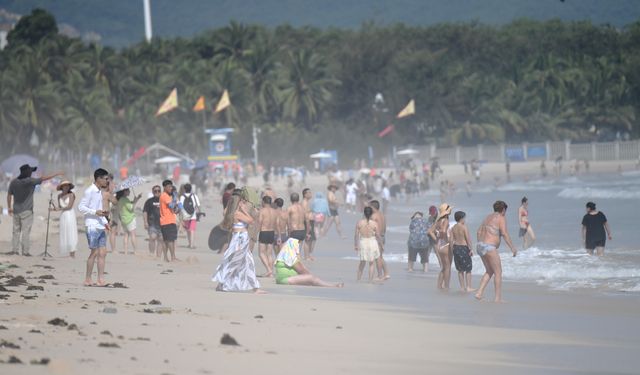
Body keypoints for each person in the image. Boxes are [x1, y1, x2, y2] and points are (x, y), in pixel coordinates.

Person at [7, 164, 62, 256]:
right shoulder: (30, 181)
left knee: (16, 231)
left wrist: (9, 207)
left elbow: (9, 195)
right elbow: (44, 178)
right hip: (27, 211)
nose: (31, 173)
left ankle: (15, 250)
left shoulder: (14, 182)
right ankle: (25, 252)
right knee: (25, 231)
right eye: (30, 171)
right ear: (27, 172)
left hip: (16, 210)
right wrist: (56, 174)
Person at [212, 195, 263, 293]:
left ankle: (255, 287)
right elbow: (251, 221)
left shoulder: (235, 213)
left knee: (247, 262)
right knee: (236, 262)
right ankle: (222, 284)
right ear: (238, 203)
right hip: (240, 239)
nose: (244, 204)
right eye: (242, 202)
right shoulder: (237, 213)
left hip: (241, 238)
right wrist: (244, 210)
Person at [475, 200, 518, 302]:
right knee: (498, 272)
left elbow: (478, 231)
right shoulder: (501, 217)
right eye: (505, 211)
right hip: (489, 247)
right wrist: (512, 247)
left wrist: (481, 243)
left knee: (489, 271)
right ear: (503, 210)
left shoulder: (487, 217)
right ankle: (497, 298)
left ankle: (479, 293)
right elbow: (504, 233)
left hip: (480, 246)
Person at [78, 168, 110, 286]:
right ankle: (88, 279)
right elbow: (81, 207)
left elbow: (99, 209)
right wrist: (95, 212)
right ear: (98, 179)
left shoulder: (99, 192)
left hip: (100, 225)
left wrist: (105, 221)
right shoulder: (90, 191)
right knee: (94, 252)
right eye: (105, 179)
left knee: (103, 253)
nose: (107, 181)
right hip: (91, 225)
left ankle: (100, 279)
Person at [275, 238, 343, 287]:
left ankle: (320, 282)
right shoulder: (291, 257)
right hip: (285, 280)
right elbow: (302, 270)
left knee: (309, 279)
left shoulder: (284, 255)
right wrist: (311, 277)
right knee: (311, 278)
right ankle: (331, 285)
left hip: (284, 278)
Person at [355, 206, 383, 281]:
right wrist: (381, 245)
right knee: (371, 263)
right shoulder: (374, 223)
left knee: (362, 263)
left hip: (363, 242)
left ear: (364, 213)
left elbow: (356, 235)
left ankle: (358, 279)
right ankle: (370, 280)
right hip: (372, 242)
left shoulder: (359, 222)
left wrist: (356, 245)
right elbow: (378, 235)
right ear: (371, 214)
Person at [428, 203, 453, 290]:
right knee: (448, 267)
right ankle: (446, 286)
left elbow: (430, 231)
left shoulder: (438, 221)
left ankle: (439, 285)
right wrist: (446, 239)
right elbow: (443, 231)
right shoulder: (445, 220)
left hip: (439, 245)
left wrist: (437, 239)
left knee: (443, 267)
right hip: (445, 245)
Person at [54, 181, 78, 258]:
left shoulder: (71, 195)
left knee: (71, 231)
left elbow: (69, 206)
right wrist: (53, 209)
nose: (66, 187)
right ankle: (67, 250)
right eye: (64, 186)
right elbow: (59, 206)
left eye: (67, 186)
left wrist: (59, 209)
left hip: (70, 214)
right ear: (62, 187)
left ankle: (72, 252)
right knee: (64, 231)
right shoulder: (59, 196)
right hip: (63, 215)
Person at [451, 211, 474, 292]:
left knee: (460, 269)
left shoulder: (453, 227)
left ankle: (462, 287)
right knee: (468, 269)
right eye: (464, 218)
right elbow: (468, 239)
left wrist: (452, 249)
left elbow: (451, 240)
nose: (465, 219)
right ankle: (468, 287)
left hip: (456, 248)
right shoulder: (464, 227)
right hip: (463, 248)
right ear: (461, 218)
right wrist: (471, 249)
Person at [116, 188, 142, 255]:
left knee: (126, 235)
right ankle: (135, 251)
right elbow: (131, 208)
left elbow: (130, 204)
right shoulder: (125, 200)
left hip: (123, 219)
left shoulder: (120, 199)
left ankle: (125, 251)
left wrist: (137, 199)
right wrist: (135, 202)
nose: (129, 192)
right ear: (125, 192)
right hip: (129, 219)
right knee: (133, 235)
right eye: (128, 191)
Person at [369, 200, 390, 280]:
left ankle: (379, 275)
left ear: (373, 207)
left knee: (377, 257)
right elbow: (384, 227)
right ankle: (386, 273)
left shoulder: (374, 216)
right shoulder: (382, 215)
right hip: (383, 236)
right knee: (380, 257)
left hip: (377, 237)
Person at [159, 180, 179, 262]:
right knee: (169, 240)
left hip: (170, 219)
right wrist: (175, 197)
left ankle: (166, 257)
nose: (171, 188)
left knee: (168, 240)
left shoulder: (168, 196)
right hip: (166, 221)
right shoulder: (164, 196)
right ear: (164, 187)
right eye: (169, 187)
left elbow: (173, 208)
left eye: (171, 186)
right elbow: (171, 205)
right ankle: (172, 257)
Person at [257, 195, 277, 277]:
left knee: (261, 253)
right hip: (271, 232)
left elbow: (260, 222)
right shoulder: (274, 211)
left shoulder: (262, 211)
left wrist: (257, 232)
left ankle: (268, 270)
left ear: (264, 202)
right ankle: (271, 272)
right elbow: (276, 223)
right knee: (269, 254)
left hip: (264, 232)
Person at [143, 186, 162, 257]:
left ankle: (158, 256)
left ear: (161, 191)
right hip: (152, 223)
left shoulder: (163, 200)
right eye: (155, 191)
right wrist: (145, 222)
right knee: (153, 237)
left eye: (158, 191)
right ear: (153, 192)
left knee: (161, 239)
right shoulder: (149, 201)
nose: (157, 192)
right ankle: (151, 254)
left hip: (162, 223)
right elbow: (145, 212)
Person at [180, 183, 201, 249]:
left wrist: (181, 215)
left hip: (185, 216)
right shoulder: (194, 196)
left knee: (188, 230)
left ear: (184, 189)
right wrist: (199, 213)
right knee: (192, 230)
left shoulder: (182, 196)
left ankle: (189, 243)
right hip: (193, 215)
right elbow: (198, 205)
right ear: (191, 189)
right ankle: (192, 244)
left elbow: (180, 206)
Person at [302, 188, 317, 261]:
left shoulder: (307, 202)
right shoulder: (304, 203)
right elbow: (305, 215)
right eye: (309, 193)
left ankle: (309, 255)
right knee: (308, 239)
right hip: (308, 222)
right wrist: (308, 225)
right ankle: (306, 256)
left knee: (312, 239)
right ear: (305, 194)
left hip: (310, 222)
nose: (311, 194)